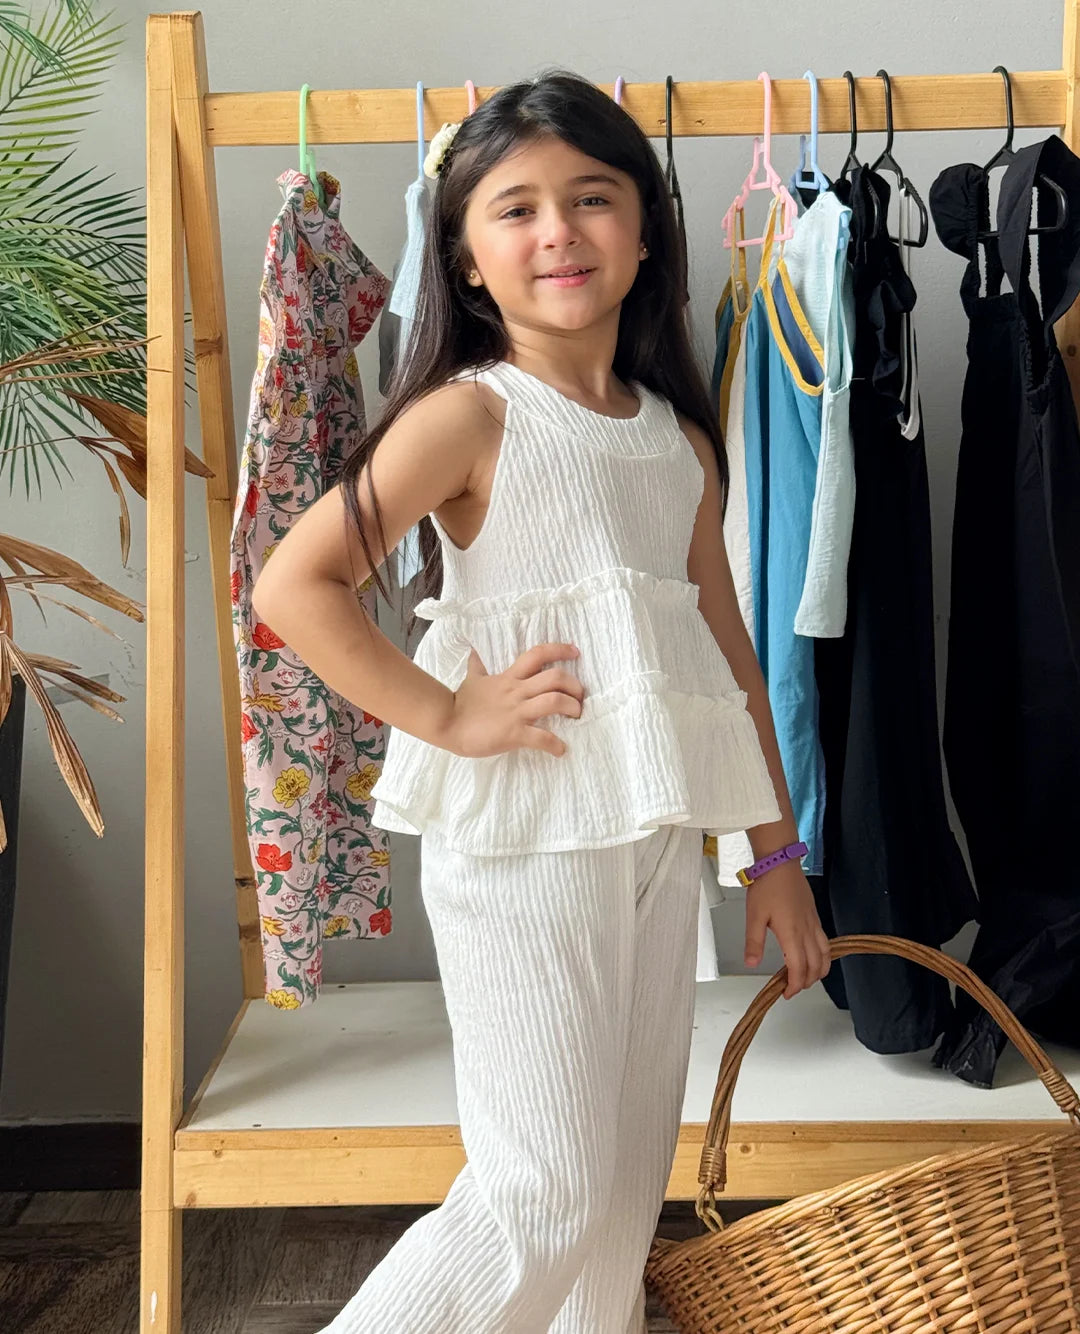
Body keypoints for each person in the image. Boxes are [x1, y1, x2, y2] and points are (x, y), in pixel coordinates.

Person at [252, 68, 831, 1334]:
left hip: (652, 834)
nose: (558, 230)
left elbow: (728, 656)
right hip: (524, 837)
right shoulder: (467, 417)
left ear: (645, 232)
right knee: (542, 1191)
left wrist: (776, 853)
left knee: (620, 1195)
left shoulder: (674, 438)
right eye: (515, 209)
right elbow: (296, 585)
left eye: (592, 197)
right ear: (463, 258)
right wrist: (449, 715)